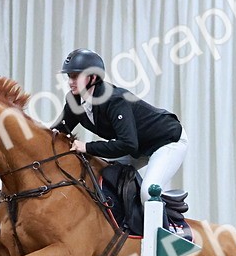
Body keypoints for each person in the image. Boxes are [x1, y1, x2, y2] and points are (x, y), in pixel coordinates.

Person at [51, 48, 188, 206]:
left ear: (93, 77)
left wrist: (87, 147)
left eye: (76, 76)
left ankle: (162, 222)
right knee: (99, 173)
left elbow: (128, 144)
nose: (70, 82)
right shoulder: (74, 100)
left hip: (167, 141)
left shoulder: (114, 100)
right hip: (137, 147)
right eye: (69, 76)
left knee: (148, 192)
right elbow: (56, 131)